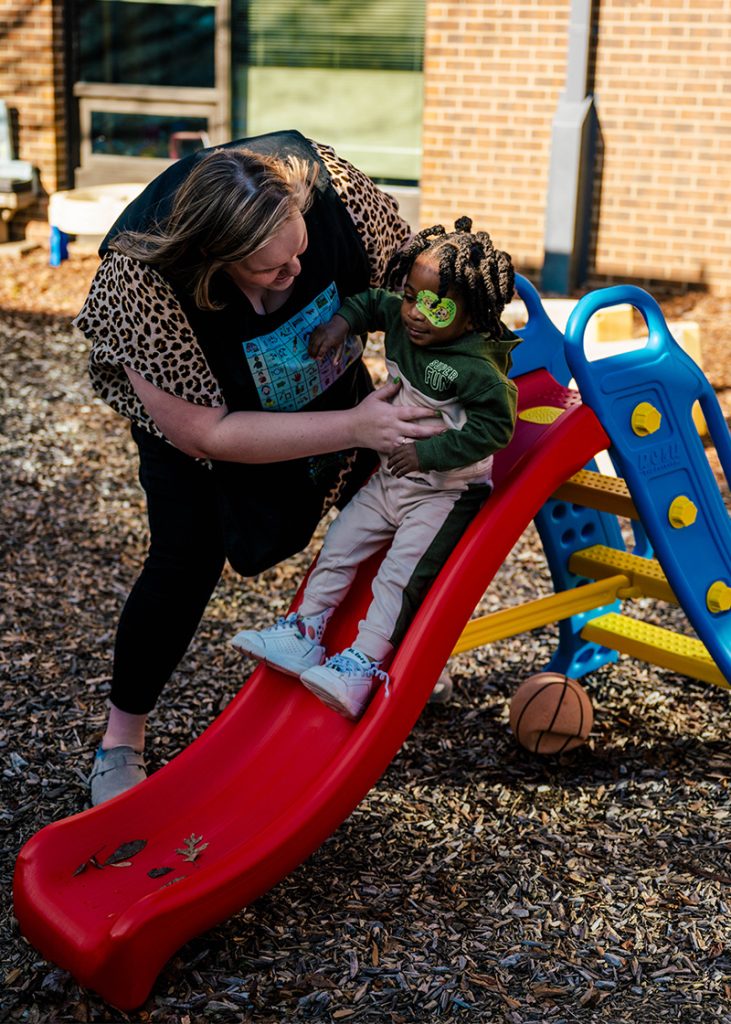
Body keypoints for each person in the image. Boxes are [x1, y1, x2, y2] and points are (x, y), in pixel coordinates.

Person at [72, 130, 447, 805]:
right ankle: (120, 739)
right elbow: (204, 432)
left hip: (326, 381)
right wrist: (358, 424)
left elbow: (407, 286)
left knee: (403, 498)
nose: (296, 274)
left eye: (300, 250)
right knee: (185, 558)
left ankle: (382, 648)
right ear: (215, 259)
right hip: (204, 415)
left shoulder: (336, 195)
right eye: (272, 270)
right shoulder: (142, 280)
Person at [232, 218, 520, 720]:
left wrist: (429, 454)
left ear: (471, 318)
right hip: (392, 477)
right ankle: (304, 631)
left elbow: (496, 430)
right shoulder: (405, 319)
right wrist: (339, 325)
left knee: (397, 576)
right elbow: (370, 303)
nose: (416, 314)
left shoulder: (479, 371)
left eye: (438, 307)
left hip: (444, 492)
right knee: (341, 540)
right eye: (412, 297)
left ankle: (363, 665)